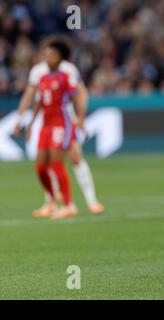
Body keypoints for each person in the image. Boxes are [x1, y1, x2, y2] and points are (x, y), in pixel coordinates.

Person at [13, 38, 104, 216]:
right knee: (46, 163)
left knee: (74, 157)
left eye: (52, 52)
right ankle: (52, 202)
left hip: (65, 118)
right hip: (47, 119)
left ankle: (91, 200)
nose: (48, 55)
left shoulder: (68, 70)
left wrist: (80, 117)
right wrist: (21, 118)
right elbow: (31, 96)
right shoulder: (38, 71)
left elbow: (80, 92)